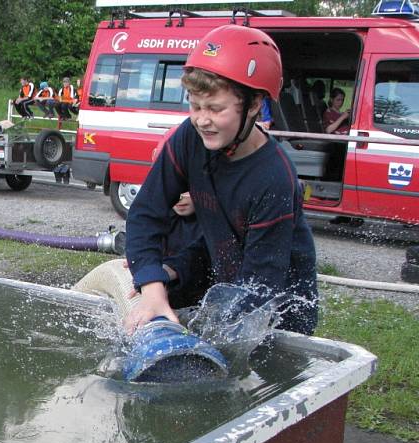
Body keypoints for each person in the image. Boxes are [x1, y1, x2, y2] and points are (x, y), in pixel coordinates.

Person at [124, 25, 318, 337]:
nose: (202, 119)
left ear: (254, 105)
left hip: (278, 317)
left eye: (216, 108)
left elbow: (259, 288)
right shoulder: (189, 137)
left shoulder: (274, 178)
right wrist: (153, 283)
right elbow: (145, 214)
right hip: (226, 288)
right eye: (195, 105)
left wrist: (209, 330)